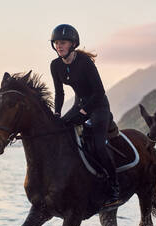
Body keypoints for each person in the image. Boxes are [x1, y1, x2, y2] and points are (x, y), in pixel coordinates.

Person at [49, 24, 122, 210]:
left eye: (63, 42)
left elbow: (99, 91)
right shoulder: (55, 65)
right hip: (79, 104)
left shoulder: (84, 62)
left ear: (73, 44)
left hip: (98, 105)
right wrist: (57, 114)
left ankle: (114, 187)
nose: (59, 46)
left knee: (98, 145)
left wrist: (84, 112)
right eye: (56, 43)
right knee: (59, 132)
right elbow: (59, 93)